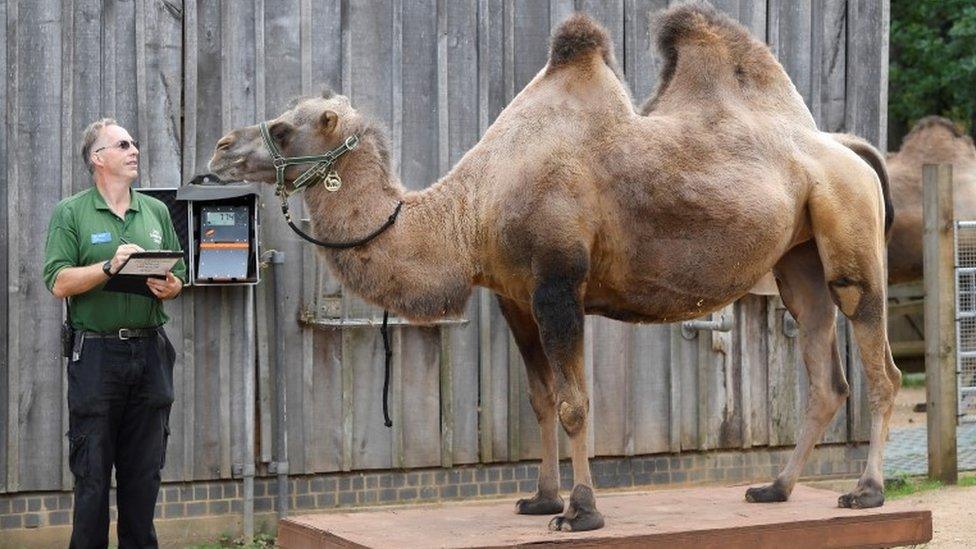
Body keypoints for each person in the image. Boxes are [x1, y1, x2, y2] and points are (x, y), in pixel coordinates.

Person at [42, 118, 186, 549]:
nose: (134, 150)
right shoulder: (71, 212)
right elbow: (58, 282)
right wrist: (109, 267)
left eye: (135, 143)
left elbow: (177, 277)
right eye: (123, 144)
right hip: (97, 359)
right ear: (97, 158)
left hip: (150, 355)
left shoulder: (156, 211)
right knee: (91, 477)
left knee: (144, 478)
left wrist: (171, 286)